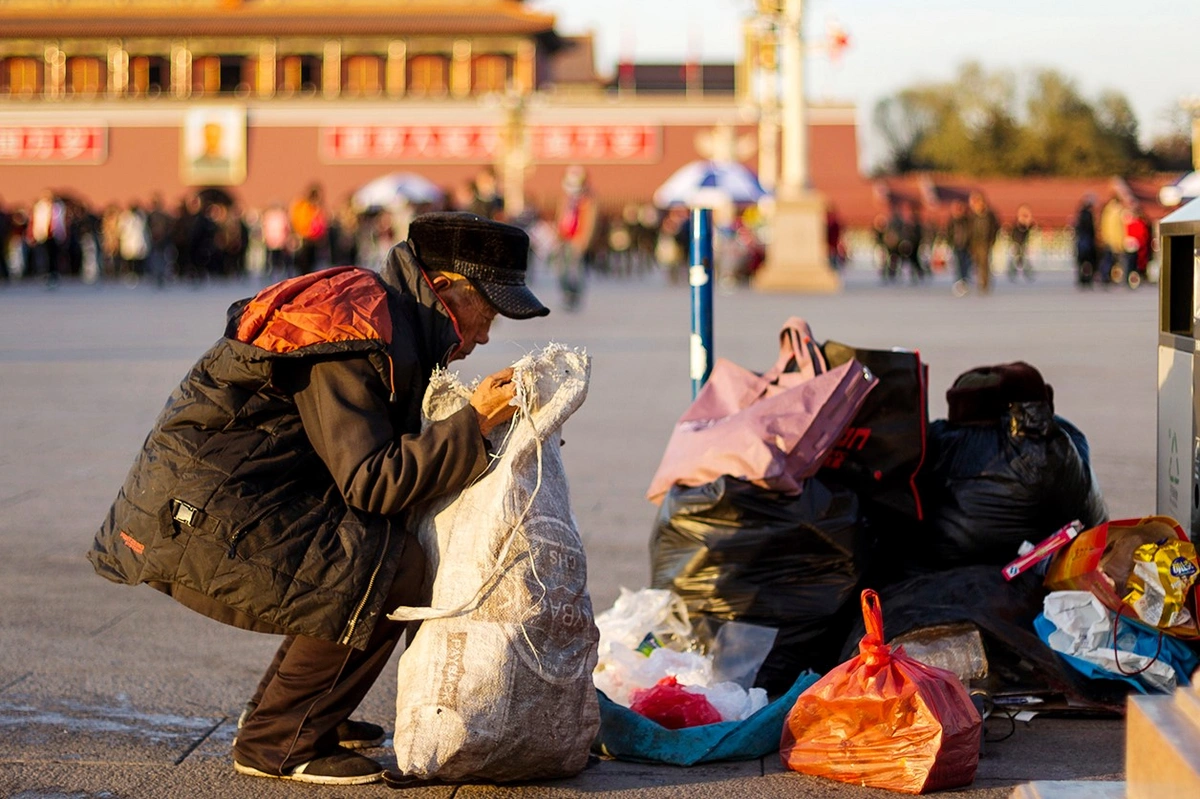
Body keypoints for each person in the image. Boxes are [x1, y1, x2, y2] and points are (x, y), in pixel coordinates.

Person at [87, 211, 549, 786]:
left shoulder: (391, 318)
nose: (484, 335)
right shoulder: (353, 328)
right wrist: (471, 425)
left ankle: (296, 711)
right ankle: (277, 739)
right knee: (388, 564)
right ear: (448, 285)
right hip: (198, 511)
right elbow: (373, 481)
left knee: (364, 551)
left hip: (244, 492)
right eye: (489, 312)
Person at [967, 191, 999, 294]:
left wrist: (992, 239)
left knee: (984, 264)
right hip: (974, 242)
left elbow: (995, 228)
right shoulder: (972, 216)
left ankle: (985, 283)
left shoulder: (989, 214)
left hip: (985, 242)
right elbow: (969, 230)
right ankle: (979, 280)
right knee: (977, 264)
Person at [1007, 203, 1035, 282]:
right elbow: (1013, 233)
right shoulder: (1015, 224)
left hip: (1025, 244)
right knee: (1014, 260)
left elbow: (1031, 231)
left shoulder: (1029, 225)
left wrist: (1028, 221)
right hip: (1016, 244)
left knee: (1026, 260)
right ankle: (1012, 274)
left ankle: (1028, 274)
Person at [1073, 196, 1097, 287]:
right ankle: (1086, 278)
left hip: (1081, 241)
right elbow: (1090, 229)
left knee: (1082, 262)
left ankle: (1082, 278)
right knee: (1088, 261)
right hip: (1087, 241)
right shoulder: (1087, 215)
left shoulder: (1079, 214)